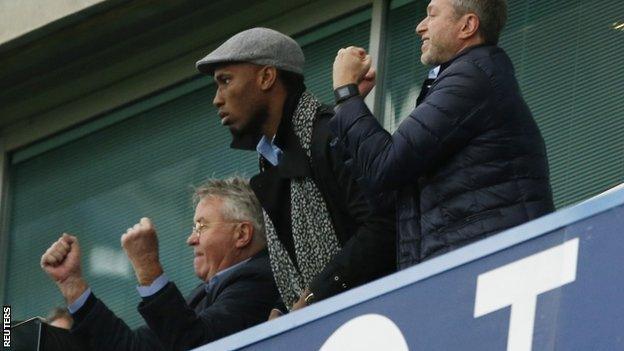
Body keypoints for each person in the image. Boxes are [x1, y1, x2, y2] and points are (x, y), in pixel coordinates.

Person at [330, 0, 554, 269]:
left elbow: (385, 163)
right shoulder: (468, 77)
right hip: (467, 265)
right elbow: (387, 193)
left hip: (487, 265)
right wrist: (351, 107)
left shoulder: (471, 77)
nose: (420, 27)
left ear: (467, 25)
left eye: (431, 15)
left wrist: (346, 95)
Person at [195, 27, 396, 314]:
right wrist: (283, 309)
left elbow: (383, 225)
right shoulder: (272, 160)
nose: (217, 98)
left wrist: (316, 295)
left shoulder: (328, 134)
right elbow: (297, 265)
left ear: (266, 77)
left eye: (225, 81)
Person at [40, 177, 278, 351]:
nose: (191, 239)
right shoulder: (203, 295)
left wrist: (147, 267)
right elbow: (132, 348)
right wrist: (72, 284)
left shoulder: (260, 278)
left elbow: (198, 344)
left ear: (242, 234)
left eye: (202, 226)